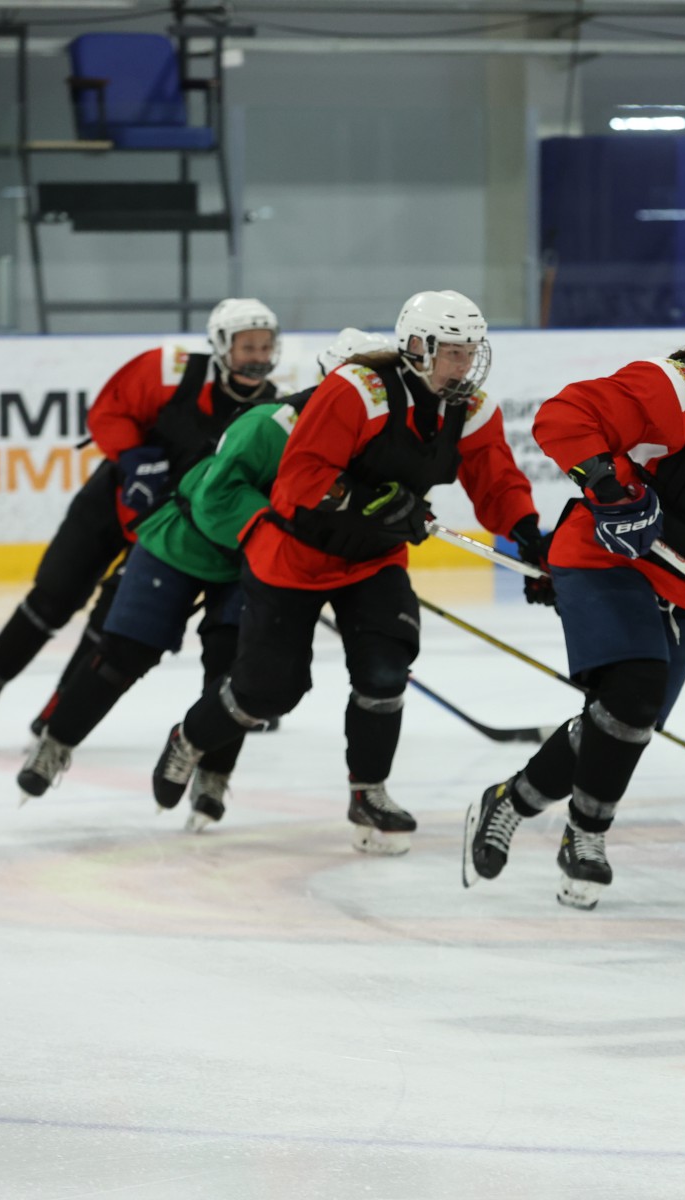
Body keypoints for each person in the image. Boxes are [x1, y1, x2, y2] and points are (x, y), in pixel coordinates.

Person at [461, 271, 685, 910]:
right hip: (606, 558)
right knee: (632, 696)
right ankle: (585, 835)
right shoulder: (674, 387)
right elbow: (562, 417)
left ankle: (512, 799)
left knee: (626, 719)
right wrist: (609, 488)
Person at [148, 291, 542, 855]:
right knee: (267, 692)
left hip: (373, 560)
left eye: (471, 350)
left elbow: (497, 482)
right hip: (294, 557)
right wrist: (370, 500)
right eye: (453, 352)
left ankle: (368, 791)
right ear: (416, 347)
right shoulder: (359, 392)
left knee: (385, 672)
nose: (466, 364)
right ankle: (188, 739)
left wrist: (528, 535)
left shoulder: (471, 407)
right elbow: (299, 479)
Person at [14, 330, 394, 830]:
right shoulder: (271, 425)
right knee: (123, 654)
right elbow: (215, 496)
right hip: (187, 539)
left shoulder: (375, 441)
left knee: (236, 669)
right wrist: (271, 524)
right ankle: (55, 743)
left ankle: (212, 776)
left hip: (249, 558)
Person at [0, 299, 282, 746]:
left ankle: (58, 709)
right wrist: (136, 458)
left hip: (164, 538)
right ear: (220, 345)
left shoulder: (271, 411)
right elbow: (106, 412)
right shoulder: (169, 370)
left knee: (111, 626)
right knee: (49, 602)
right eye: (247, 347)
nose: (257, 357)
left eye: (264, 347)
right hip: (108, 506)